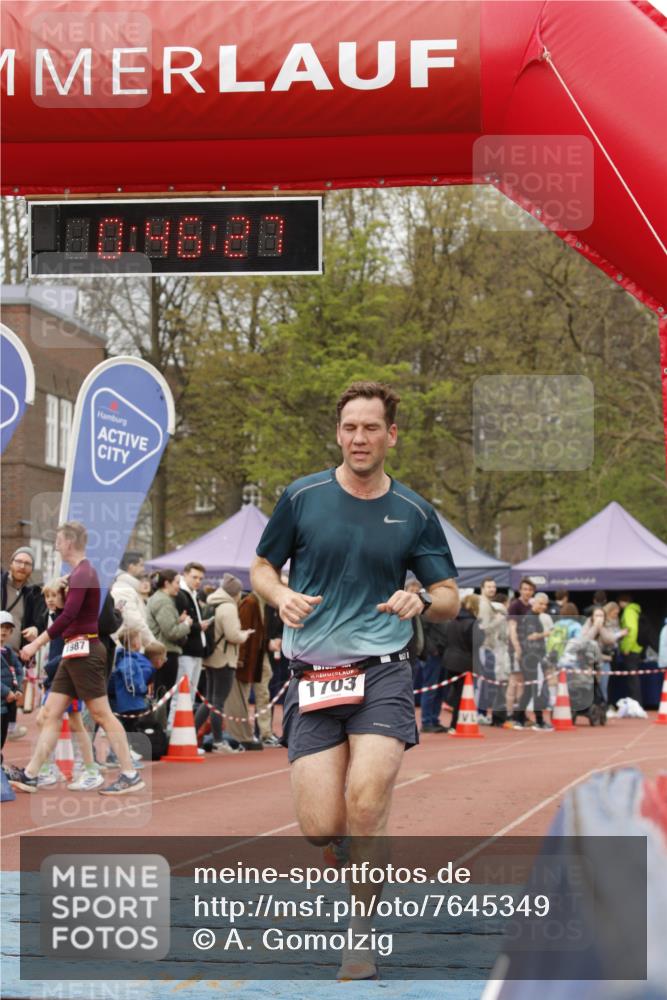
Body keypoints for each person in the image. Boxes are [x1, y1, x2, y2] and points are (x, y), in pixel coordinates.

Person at [250, 380, 459, 981]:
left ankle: (359, 934)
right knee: (321, 829)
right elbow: (262, 564)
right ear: (337, 432)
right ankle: (353, 850)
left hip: (382, 674)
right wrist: (280, 594)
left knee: (367, 802)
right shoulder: (303, 497)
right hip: (314, 675)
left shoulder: (415, 511)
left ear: (391, 435)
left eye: (370, 427)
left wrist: (420, 599)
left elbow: (448, 596)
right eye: (349, 427)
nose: (358, 438)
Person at [9, 521, 144, 796]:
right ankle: (32, 774)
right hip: (73, 653)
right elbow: (67, 615)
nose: (56, 545)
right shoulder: (76, 575)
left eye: (58, 540)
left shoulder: (84, 573)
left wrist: (35, 643)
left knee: (100, 714)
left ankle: (129, 773)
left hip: (86, 653)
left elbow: (70, 617)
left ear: (69, 542)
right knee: (49, 713)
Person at [194, 574, 253, 754]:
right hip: (225, 658)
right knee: (218, 702)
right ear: (235, 593)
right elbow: (233, 635)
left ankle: (191, 734)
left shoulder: (213, 602)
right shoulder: (228, 607)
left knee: (210, 700)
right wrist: (245, 634)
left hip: (211, 656)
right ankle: (219, 741)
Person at [1, 546, 46, 740]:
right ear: (10, 563)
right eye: (18, 561)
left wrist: (36, 629)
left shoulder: (34, 593)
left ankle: (10, 726)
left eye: (27, 563)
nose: (22, 566)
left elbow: (40, 620)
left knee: (11, 683)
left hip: (15, 649)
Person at [171, 562, 214, 729]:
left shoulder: (192, 594)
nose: (198, 581)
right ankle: (173, 735)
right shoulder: (181, 595)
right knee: (181, 697)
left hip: (196, 652)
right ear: (184, 575)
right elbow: (182, 623)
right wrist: (198, 626)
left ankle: (183, 738)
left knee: (188, 697)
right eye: (194, 577)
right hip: (186, 652)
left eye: (200, 578)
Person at [146, 570, 193, 714]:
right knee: (163, 696)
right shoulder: (163, 601)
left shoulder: (160, 599)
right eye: (177, 582)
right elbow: (171, 632)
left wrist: (178, 621)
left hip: (163, 652)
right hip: (165, 654)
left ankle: (157, 729)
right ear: (167, 583)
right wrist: (186, 625)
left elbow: (165, 626)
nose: (179, 587)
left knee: (161, 696)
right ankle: (158, 731)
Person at [441, 594, 479, 733]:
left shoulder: (453, 621)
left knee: (454, 691)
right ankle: (455, 723)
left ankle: (452, 719)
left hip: (449, 660)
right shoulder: (473, 623)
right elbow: (475, 644)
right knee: (461, 694)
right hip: (464, 662)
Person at [110, 551, 156, 648]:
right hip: (129, 650)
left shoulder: (129, 587)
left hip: (133, 646)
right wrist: (152, 643)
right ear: (131, 566)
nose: (144, 569)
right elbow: (134, 621)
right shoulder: (123, 589)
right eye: (141, 565)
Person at [582, 606, 621, 702]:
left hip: (604, 662)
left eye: (601, 615)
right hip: (588, 663)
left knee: (603, 687)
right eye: (597, 615)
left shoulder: (607, 625)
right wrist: (595, 627)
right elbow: (584, 640)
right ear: (592, 616)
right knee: (588, 688)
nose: (599, 618)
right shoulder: (587, 625)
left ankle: (603, 709)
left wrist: (601, 628)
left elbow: (611, 640)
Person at [1, 611, 24, 764]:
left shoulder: (9, 651)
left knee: (2, 736)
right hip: (3, 698)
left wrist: (18, 689)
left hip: (7, 704)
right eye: (1, 627)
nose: (3, 631)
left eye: (7, 628)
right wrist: (6, 691)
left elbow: (19, 670)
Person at [618, 593, 644, 704]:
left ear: (623, 601)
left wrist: (627, 647)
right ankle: (635, 701)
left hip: (631, 649)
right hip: (635, 648)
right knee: (633, 678)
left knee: (632, 679)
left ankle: (636, 702)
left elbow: (631, 630)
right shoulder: (634, 611)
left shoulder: (628, 611)